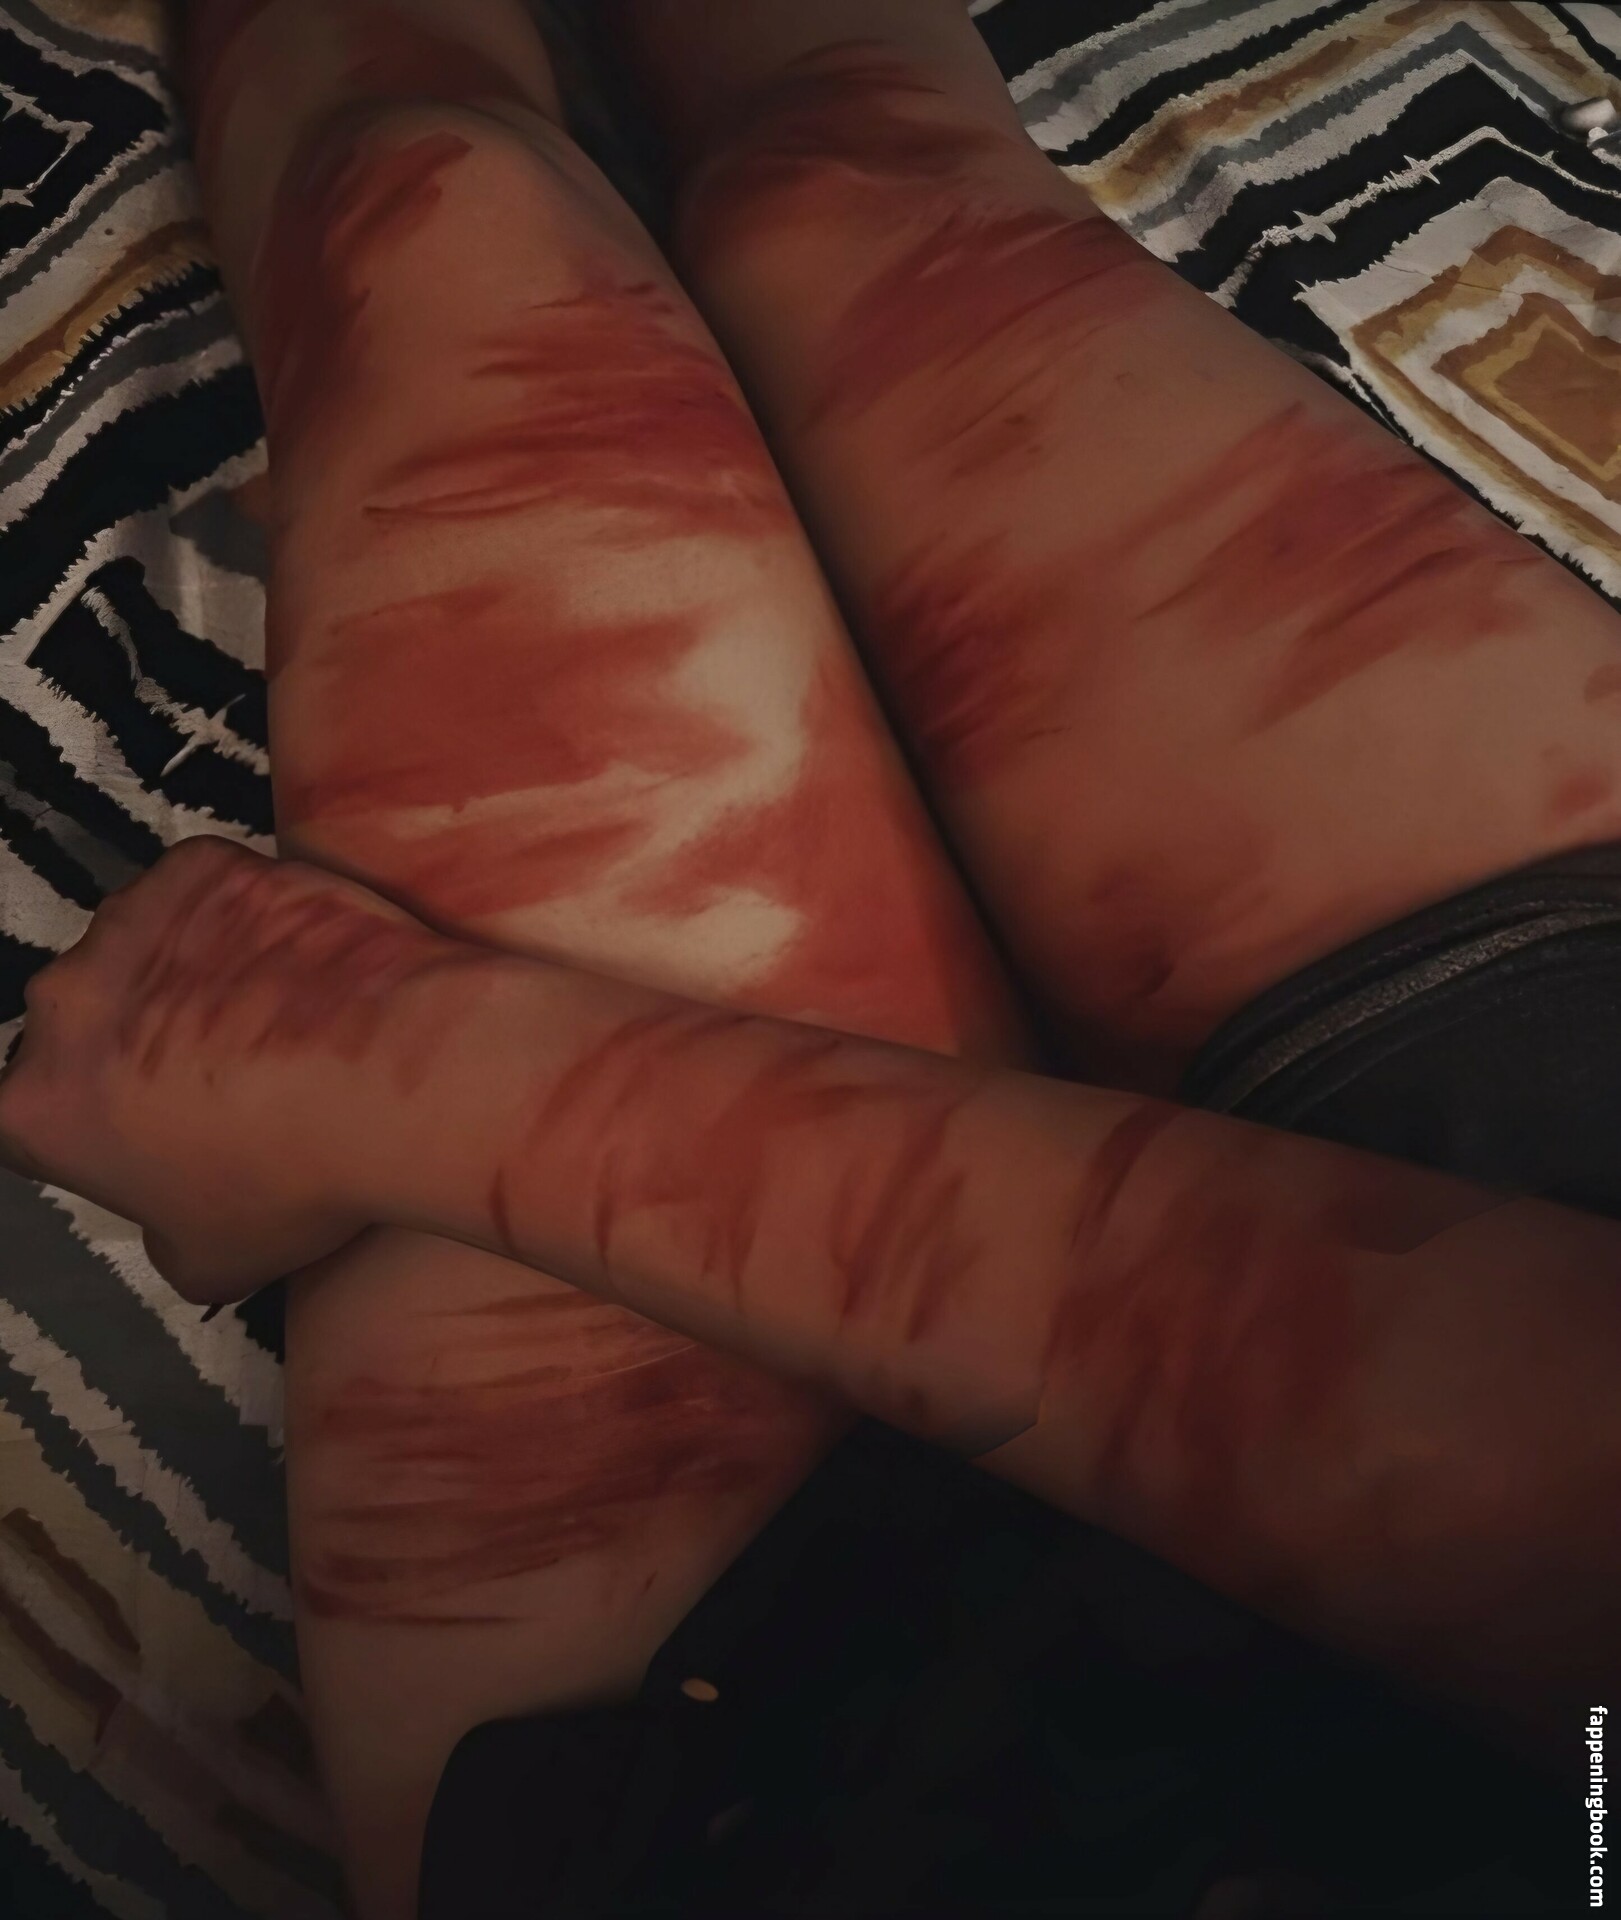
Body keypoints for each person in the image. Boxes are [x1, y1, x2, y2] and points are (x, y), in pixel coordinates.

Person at [2, 0, 1619, 1911]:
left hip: (825, 1735)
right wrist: (393, 1060)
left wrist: (373, 1063)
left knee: (435, 224)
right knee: (845, 191)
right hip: (1547, 1193)